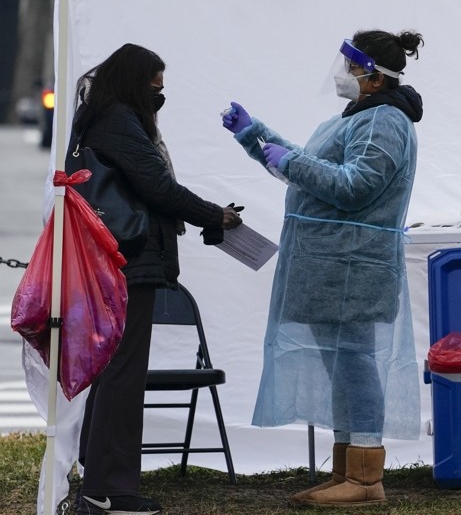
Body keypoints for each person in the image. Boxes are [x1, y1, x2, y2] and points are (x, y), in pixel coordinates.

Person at [223, 30, 424, 507]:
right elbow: (314, 165)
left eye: (352, 68)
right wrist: (257, 137)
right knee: (343, 365)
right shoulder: (358, 118)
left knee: (354, 365)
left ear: (375, 77)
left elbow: (355, 186)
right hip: (331, 264)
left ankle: (366, 476)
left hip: (352, 264)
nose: (343, 75)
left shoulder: (385, 122)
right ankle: (347, 471)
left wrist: (290, 162)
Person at [70, 43, 243, 515]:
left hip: (116, 260)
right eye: (154, 88)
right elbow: (157, 187)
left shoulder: (99, 116)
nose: (158, 97)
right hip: (131, 260)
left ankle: (97, 479)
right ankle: (109, 490)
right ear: (133, 82)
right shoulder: (119, 121)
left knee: (114, 373)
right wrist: (216, 215)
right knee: (123, 376)